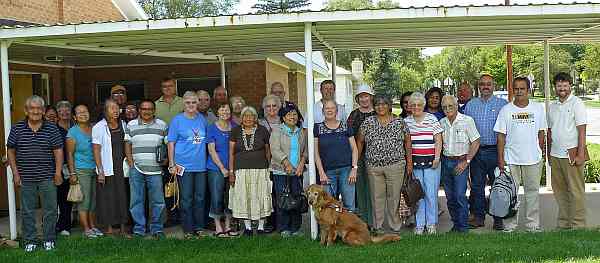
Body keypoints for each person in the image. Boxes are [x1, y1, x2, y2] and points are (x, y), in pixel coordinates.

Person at [7, 95, 64, 252]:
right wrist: (15, 173)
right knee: (27, 211)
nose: (36, 111)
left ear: (44, 110)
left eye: (39, 108)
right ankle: (30, 240)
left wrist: (58, 172)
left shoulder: (51, 128)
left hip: (48, 176)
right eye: (32, 108)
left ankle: (49, 239)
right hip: (25, 177)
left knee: (50, 210)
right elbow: (10, 151)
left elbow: (58, 151)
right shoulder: (17, 128)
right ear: (26, 110)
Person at [495, 77, 546, 233]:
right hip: (511, 160)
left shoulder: (538, 108)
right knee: (511, 195)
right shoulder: (506, 110)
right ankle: (510, 226)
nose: (519, 91)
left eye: (522, 88)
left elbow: (541, 132)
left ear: (528, 90)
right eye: (516, 88)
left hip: (533, 159)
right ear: (513, 90)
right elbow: (501, 137)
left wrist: (539, 150)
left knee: (532, 193)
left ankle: (532, 225)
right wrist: (501, 159)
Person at [356, 95, 413, 235]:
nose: (380, 107)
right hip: (374, 166)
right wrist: (355, 162)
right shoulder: (368, 122)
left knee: (394, 197)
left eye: (383, 104)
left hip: (396, 165)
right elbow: (360, 141)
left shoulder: (399, 122)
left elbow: (407, 142)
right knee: (377, 197)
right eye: (377, 105)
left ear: (389, 106)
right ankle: (378, 226)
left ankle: (395, 226)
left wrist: (410, 163)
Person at [463, 73, 508, 230]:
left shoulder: (503, 104)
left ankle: (498, 218)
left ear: (493, 86)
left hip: (496, 151)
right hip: (476, 152)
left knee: (498, 187)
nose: (485, 86)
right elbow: (465, 130)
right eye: (482, 84)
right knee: (477, 186)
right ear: (478, 86)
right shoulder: (471, 105)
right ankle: (478, 217)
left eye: (488, 83)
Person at [548, 72, 588, 229]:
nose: (562, 88)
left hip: (572, 155)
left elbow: (582, 130)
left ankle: (578, 225)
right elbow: (550, 132)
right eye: (559, 85)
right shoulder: (552, 106)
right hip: (556, 155)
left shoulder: (577, 103)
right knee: (560, 192)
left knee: (576, 191)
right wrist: (549, 154)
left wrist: (580, 154)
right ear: (555, 87)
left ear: (570, 86)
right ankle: (564, 224)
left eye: (565, 85)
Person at [167, 91, 209, 238]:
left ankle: (199, 227)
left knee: (200, 197)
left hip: (201, 165)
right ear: (183, 104)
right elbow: (171, 143)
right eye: (188, 102)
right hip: (182, 166)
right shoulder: (177, 120)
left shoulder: (202, 120)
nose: (191, 105)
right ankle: (188, 229)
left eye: (194, 102)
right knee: (186, 198)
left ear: (198, 103)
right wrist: (171, 163)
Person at [124, 100, 168, 238]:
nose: (146, 111)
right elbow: (127, 145)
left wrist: (166, 159)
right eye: (144, 109)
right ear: (139, 110)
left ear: (154, 110)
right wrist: (131, 163)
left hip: (156, 170)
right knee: (136, 200)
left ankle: (157, 228)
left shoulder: (162, 125)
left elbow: (167, 144)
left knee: (158, 201)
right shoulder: (131, 125)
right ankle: (139, 229)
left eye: (149, 109)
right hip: (136, 168)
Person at [228, 106, 272, 236]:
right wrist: (231, 172)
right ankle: (247, 228)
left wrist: (268, 168)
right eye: (245, 116)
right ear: (241, 118)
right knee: (244, 196)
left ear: (255, 118)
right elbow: (231, 153)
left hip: (260, 170)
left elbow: (268, 151)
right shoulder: (235, 131)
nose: (248, 118)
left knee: (260, 196)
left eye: (251, 116)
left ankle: (261, 227)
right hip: (241, 171)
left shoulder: (262, 130)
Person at [439, 95, 480, 233]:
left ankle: (463, 228)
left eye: (450, 106)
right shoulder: (441, 123)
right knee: (450, 197)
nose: (447, 109)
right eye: (444, 107)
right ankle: (456, 225)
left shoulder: (467, 121)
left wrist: (467, 161)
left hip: (460, 162)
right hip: (446, 162)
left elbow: (476, 141)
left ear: (456, 106)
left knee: (459, 196)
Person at [405, 92, 443, 235]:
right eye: (413, 105)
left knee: (431, 194)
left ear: (423, 105)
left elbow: (438, 140)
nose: (416, 107)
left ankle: (431, 224)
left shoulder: (432, 119)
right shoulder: (406, 122)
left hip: (432, 162)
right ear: (409, 107)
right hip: (415, 163)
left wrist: (437, 157)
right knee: (418, 195)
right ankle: (420, 225)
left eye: (419, 105)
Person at [92, 99, 129, 236]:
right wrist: (100, 170)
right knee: (107, 198)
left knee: (122, 197)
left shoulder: (123, 125)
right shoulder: (99, 127)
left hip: (121, 167)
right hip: (107, 168)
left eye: (117, 107)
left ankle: (123, 228)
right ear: (105, 110)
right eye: (111, 108)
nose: (115, 110)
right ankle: (109, 229)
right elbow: (96, 150)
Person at [66, 104, 103, 239]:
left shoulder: (94, 129)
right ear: (75, 117)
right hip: (81, 170)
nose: (83, 114)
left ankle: (93, 226)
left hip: (95, 168)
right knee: (85, 201)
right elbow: (69, 154)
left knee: (93, 201)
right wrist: (72, 173)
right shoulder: (73, 132)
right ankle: (86, 229)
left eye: (85, 111)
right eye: (79, 112)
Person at [315, 99, 359, 212]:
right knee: (328, 205)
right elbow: (316, 152)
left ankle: (348, 229)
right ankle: (331, 229)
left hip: (346, 171)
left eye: (332, 108)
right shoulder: (317, 128)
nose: (329, 110)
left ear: (337, 110)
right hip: (327, 172)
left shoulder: (346, 126)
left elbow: (354, 149)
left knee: (349, 205)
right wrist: (321, 173)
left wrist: (354, 169)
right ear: (323, 111)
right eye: (327, 108)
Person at [270, 104, 307, 237]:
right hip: (281, 172)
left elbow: (305, 151)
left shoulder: (300, 131)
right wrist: (287, 163)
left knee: (297, 199)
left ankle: (296, 228)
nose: (292, 116)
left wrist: (302, 164)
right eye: (289, 114)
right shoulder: (277, 131)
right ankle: (284, 228)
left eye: (294, 114)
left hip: (297, 172)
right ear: (283, 118)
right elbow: (274, 149)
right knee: (284, 199)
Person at [154, 77, 183, 227]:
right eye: (164, 86)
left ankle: (183, 215)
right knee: (168, 184)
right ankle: (171, 217)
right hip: (164, 148)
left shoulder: (183, 102)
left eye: (170, 86)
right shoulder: (155, 105)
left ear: (175, 87)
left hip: (183, 148)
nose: (167, 88)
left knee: (183, 184)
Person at [346, 84, 376, 226]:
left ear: (371, 97)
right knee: (361, 189)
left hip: (376, 158)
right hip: (359, 157)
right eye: (361, 97)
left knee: (375, 190)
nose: (364, 99)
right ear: (358, 99)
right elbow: (348, 136)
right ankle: (364, 221)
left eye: (366, 96)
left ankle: (375, 221)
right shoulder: (354, 115)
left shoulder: (378, 112)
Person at [207, 103, 237, 238]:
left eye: (227, 109)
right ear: (217, 112)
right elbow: (211, 150)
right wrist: (222, 168)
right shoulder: (212, 128)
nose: (225, 112)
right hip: (216, 168)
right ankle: (218, 225)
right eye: (222, 109)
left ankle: (228, 225)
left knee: (230, 197)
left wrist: (231, 169)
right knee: (216, 196)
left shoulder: (235, 127)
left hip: (232, 168)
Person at [55, 100, 74, 236]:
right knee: (60, 197)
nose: (65, 112)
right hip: (59, 167)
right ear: (57, 113)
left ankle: (65, 225)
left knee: (70, 197)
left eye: (67, 109)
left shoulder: (75, 127)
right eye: (61, 110)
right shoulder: (53, 129)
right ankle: (61, 225)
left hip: (75, 167)